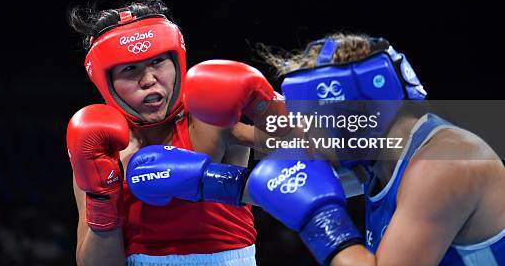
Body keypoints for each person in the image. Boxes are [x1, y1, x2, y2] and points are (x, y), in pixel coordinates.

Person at [129, 33, 505, 265]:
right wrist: (206, 177)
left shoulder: (444, 166)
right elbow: (287, 179)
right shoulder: (384, 156)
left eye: (309, 121)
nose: (302, 136)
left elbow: (306, 190)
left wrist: (320, 221)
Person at [65, 0, 281, 266]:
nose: (148, 80)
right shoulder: (100, 149)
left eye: (157, 62)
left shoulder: (209, 116)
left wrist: (270, 108)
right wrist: (103, 201)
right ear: (106, 82)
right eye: (130, 69)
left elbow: (314, 156)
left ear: (177, 63)